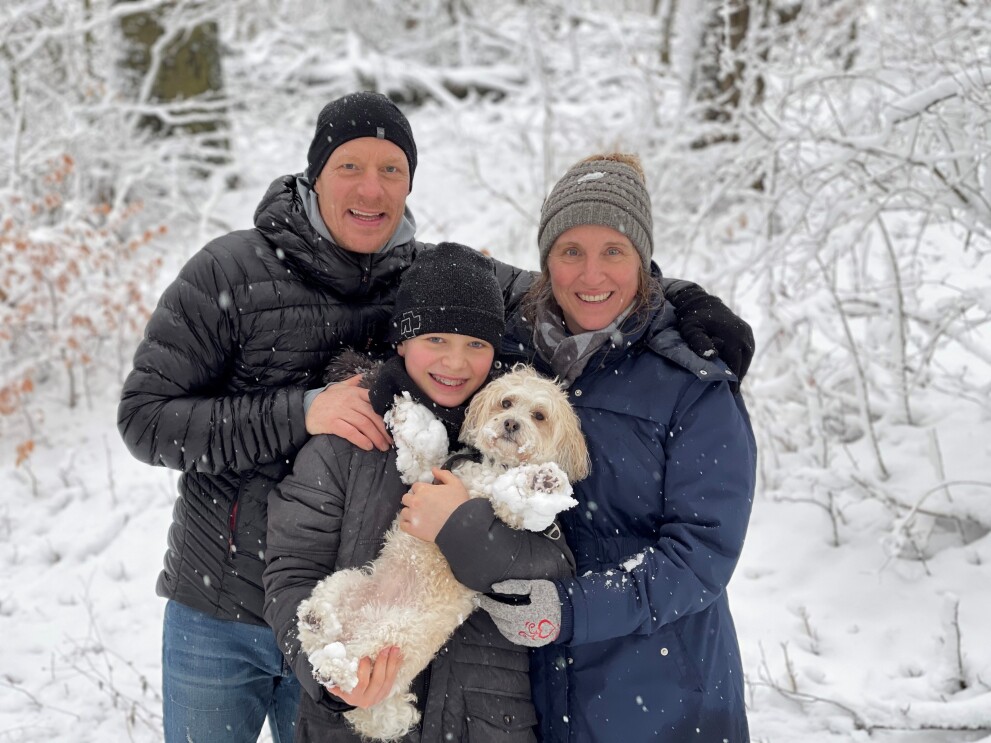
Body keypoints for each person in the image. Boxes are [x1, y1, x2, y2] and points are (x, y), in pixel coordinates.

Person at [116, 89, 753, 743]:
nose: (371, 188)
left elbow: (573, 279)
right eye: (350, 167)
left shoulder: (423, 274)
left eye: (391, 169)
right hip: (224, 603)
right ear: (314, 172)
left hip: (359, 608)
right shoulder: (229, 269)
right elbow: (145, 420)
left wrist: (680, 299)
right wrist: (302, 412)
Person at [464, 153, 759, 742]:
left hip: (662, 691)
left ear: (643, 262)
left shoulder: (693, 384)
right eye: (571, 251)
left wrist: (572, 609)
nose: (591, 275)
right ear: (547, 260)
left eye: (614, 251)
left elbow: (701, 555)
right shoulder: (514, 351)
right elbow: (434, 282)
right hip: (533, 692)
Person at [263, 242, 577, 741]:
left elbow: (552, 572)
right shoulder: (347, 439)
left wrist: (468, 531)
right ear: (402, 342)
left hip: (485, 721)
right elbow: (291, 572)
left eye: (476, 344)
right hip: (350, 714)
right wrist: (330, 675)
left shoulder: (527, 458)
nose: (456, 362)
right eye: (435, 338)